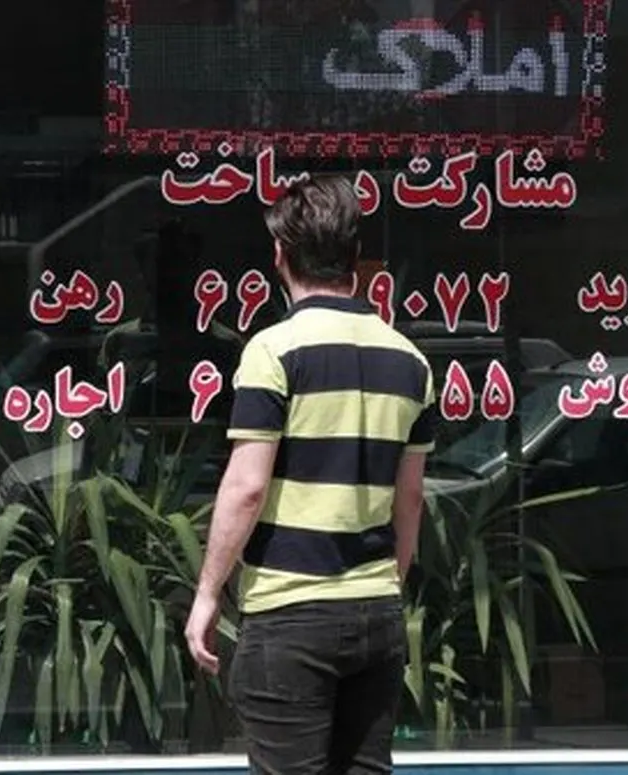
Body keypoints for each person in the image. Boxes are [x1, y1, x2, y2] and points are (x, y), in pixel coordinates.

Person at [184, 175, 434, 774]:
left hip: (289, 615)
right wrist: (387, 585)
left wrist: (208, 594)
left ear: (280, 255)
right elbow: (410, 499)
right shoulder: (410, 361)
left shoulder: (273, 351)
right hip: (376, 612)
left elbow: (247, 487)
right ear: (355, 256)